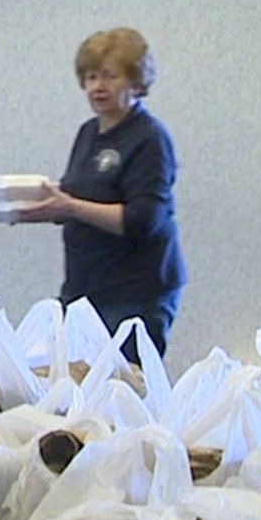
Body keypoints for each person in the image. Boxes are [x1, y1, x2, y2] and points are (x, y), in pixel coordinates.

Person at [16, 27, 186, 355]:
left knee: (122, 390)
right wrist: (43, 206)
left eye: (110, 76)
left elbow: (142, 220)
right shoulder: (88, 132)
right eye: (91, 77)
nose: (98, 87)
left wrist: (71, 207)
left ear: (136, 82)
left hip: (133, 293)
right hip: (84, 290)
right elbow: (77, 196)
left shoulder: (149, 138)